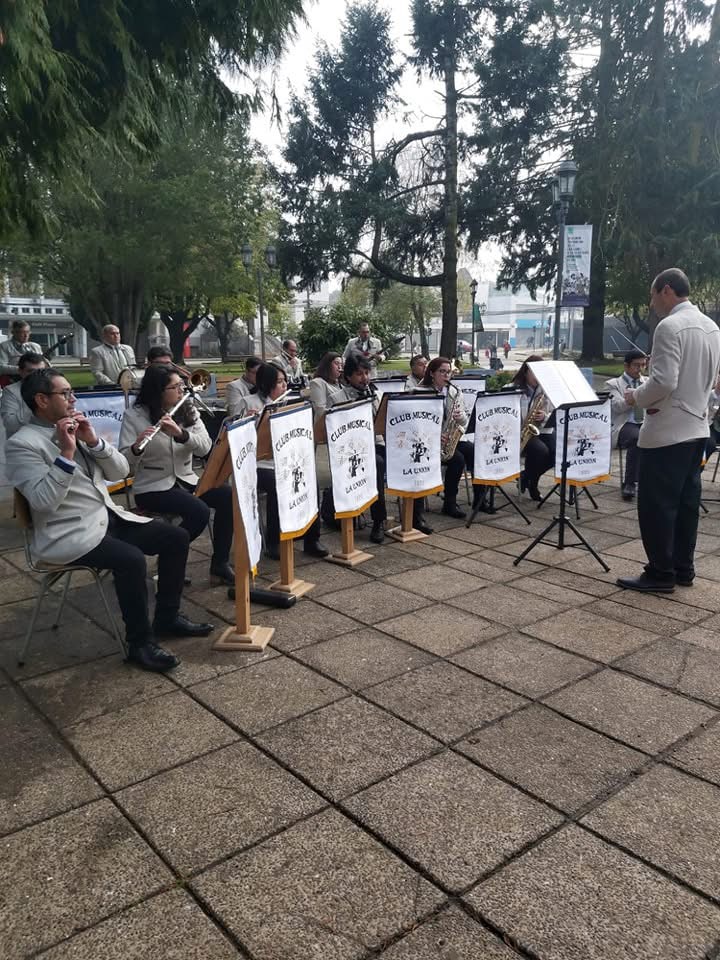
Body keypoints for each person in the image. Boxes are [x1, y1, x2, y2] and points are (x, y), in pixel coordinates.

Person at [6, 368, 213, 673]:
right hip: (68, 532)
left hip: (106, 517)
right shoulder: (23, 444)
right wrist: (66, 453)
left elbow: (120, 473)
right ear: (41, 400)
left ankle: (167, 617)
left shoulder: (78, 427)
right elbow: (42, 501)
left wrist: (94, 443)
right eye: (65, 394)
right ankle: (139, 644)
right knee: (130, 560)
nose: (73, 397)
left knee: (175, 538)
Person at [617, 268, 720, 593]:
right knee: (687, 503)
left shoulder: (670, 326)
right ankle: (683, 568)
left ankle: (661, 572)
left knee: (657, 505)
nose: (651, 302)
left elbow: (663, 381)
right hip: (698, 428)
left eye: (652, 295)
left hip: (668, 431)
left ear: (665, 291)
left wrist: (636, 396)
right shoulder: (712, 327)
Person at [119, 365, 235, 586]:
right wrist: (137, 448)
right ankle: (170, 559)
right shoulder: (134, 416)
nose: (182, 390)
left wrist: (181, 434)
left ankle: (219, 564)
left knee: (227, 496)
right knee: (198, 511)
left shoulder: (188, 410)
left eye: (182, 385)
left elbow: (205, 447)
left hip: (186, 479)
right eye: (175, 387)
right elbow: (124, 463)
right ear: (158, 391)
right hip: (152, 487)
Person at [251, 363, 329, 560]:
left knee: (311, 480)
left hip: (287, 460)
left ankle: (311, 539)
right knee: (279, 485)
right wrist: (256, 420)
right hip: (260, 464)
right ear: (266, 384)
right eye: (279, 382)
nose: (285, 385)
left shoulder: (291, 401)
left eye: (285, 380)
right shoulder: (249, 403)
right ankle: (274, 541)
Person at [328, 352, 395, 542]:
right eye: (359, 374)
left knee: (381, 460)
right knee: (377, 464)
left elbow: (383, 424)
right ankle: (376, 519)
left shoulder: (376, 393)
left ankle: (380, 521)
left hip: (375, 444)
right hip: (350, 450)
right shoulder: (337, 398)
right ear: (348, 376)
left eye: (367, 373)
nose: (364, 378)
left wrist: (375, 402)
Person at [416, 356, 487, 518]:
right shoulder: (421, 392)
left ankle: (480, 500)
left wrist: (461, 416)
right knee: (457, 459)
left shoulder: (455, 391)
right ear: (432, 373)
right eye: (442, 372)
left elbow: (464, 421)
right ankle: (449, 503)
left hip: (450, 437)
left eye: (449, 372)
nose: (446, 375)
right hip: (428, 441)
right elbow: (417, 423)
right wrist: (435, 436)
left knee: (474, 452)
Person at [606, 349, 648, 500]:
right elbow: (617, 406)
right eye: (637, 365)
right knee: (637, 439)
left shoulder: (648, 382)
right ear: (626, 366)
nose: (641, 369)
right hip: (625, 423)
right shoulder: (613, 384)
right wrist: (635, 397)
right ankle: (630, 483)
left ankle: (656, 482)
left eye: (643, 365)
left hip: (646, 421)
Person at [512, 355, 555, 501]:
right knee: (540, 451)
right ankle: (533, 485)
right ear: (526, 372)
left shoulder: (546, 389)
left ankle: (525, 476)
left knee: (557, 453)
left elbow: (555, 411)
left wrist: (545, 417)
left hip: (543, 429)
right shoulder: (513, 389)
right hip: (522, 432)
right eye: (534, 373)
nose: (538, 377)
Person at [1, 352, 47, 437]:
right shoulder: (10, 391)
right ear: (20, 371)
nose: (36, 376)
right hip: (22, 442)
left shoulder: (52, 387)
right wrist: (33, 402)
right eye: (31, 371)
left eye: (40, 371)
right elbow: (10, 425)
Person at [308, 352, 345, 419]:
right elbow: (320, 410)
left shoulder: (340, 384)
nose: (339, 367)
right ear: (327, 365)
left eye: (341, 365)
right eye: (336, 363)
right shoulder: (317, 383)